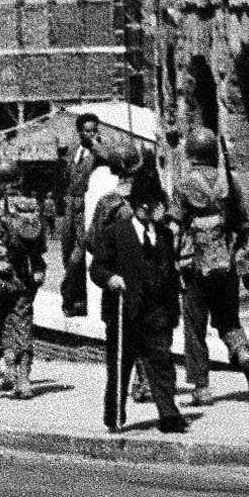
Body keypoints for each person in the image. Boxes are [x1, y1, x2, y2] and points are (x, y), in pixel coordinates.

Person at [89, 158, 191, 433]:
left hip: (156, 312)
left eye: (151, 203)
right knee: (120, 368)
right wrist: (110, 278)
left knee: (162, 365)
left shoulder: (164, 236)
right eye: (141, 204)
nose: (146, 208)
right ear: (133, 205)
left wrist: (172, 311)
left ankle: (169, 415)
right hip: (125, 311)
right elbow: (97, 268)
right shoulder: (115, 233)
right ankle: (114, 414)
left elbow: (169, 273)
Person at [173, 129, 249, 404]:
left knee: (195, 327)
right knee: (228, 320)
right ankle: (244, 355)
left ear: (191, 153)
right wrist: (240, 249)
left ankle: (201, 388)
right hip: (226, 264)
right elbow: (244, 223)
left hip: (195, 266)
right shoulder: (228, 182)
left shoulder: (184, 184)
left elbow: (175, 223)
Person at [0, 161, 48, 399]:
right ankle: (23, 380)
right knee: (22, 327)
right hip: (23, 278)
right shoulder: (31, 206)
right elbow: (41, 245)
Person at [59, 111, 105, 318]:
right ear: (79, 132)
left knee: (78, 256)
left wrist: (95, 145)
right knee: (67, 251)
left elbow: (108, 157)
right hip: (70, 204)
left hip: (86, 206)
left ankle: (72, 297)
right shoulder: (73, 150)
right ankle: (76, 299)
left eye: (94, 130)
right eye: (87, 131)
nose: (91, 134)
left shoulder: (99, 150)